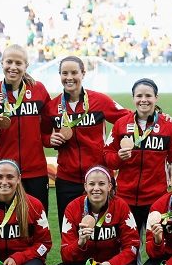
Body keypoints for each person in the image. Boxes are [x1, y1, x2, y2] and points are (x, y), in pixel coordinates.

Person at [47, 166, 142, 265]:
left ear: (110, 186)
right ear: (85, 186)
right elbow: (66, 255)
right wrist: (80, 243)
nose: (96, 188)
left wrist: (112, 264)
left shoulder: (120, 206)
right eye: (91, 184)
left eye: (101, 184)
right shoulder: (73, 208)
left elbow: (132, 246)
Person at [42, 56, 130, 228]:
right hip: (67, 180)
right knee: (69, 230)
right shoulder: (52, 107)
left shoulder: (100, 100)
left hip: (99, 177)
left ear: (83, 73)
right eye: (64, 73)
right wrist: (49, 139)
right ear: (60, 75)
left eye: (74, 72)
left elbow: (127, 119)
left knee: (104, 231)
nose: (69, 77)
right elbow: (43, 135)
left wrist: (113, 144)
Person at [103, 78, 172, 234]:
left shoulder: (169, 126)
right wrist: (119, 157)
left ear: (156, 98)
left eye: (148, 96)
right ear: (133, 98)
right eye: (139, 96)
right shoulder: (121, 124)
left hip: (156, 198)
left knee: (157, 240)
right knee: (127, 242)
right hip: (125, 197)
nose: (143, 100)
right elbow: (108, 157)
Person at [0, 44, 52, 213]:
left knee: (37, 220)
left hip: (35, 171)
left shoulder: (39, 90)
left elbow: (48, 126)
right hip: (3, 173)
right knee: (2, 222)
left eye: (18, 63)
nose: (13, 67)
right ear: (2, 63)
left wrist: (51, 139)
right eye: (9, 62)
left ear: (26, 66)